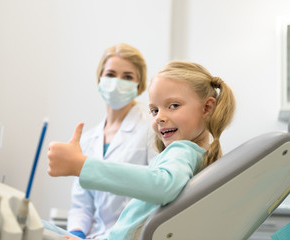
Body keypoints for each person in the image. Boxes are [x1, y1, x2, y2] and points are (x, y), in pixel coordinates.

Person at [46, 60, 236, 240]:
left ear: (207, 108)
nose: (159, 118)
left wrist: (82, 166)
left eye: (173, 106)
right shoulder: (197, 153)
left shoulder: (182, 151)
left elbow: (162, 185)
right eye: (154, 110)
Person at [66, 43, 158, 239]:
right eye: (110, 74)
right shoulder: (89, 139)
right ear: (100, 78)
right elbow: (81, 205)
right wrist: (76, 233)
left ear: (139, 84)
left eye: (127, 77)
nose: (117, 82)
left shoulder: (152, 129)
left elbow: (158, 191)